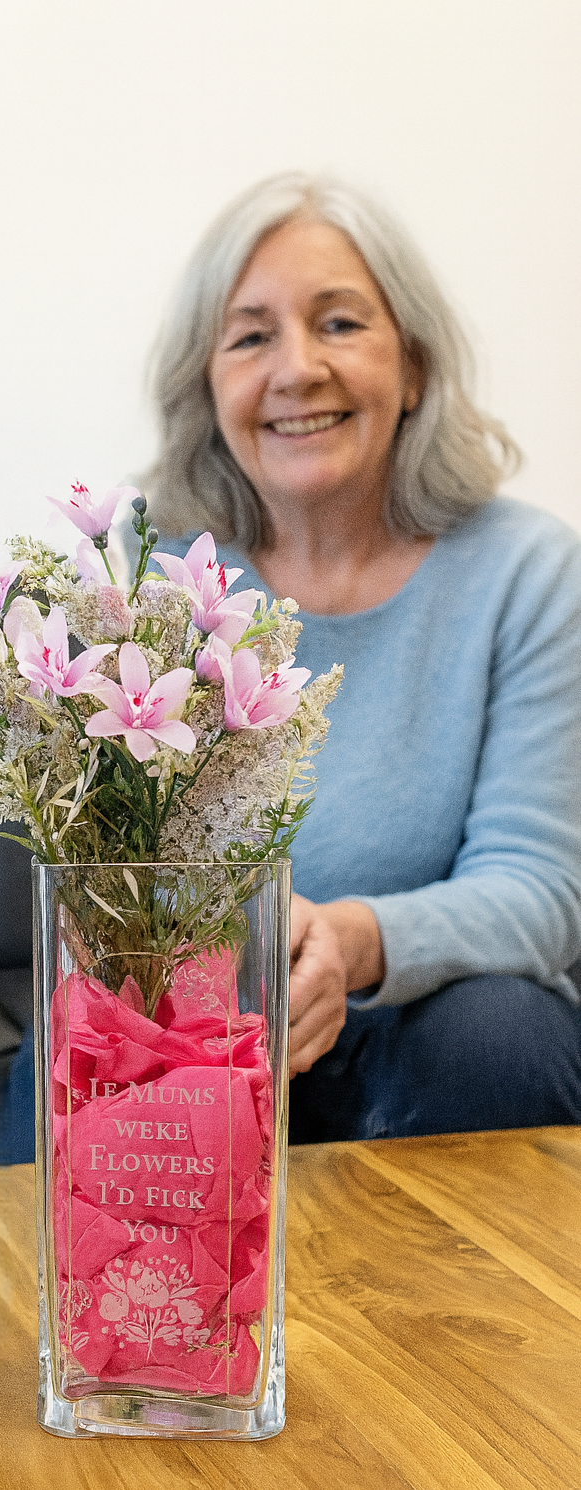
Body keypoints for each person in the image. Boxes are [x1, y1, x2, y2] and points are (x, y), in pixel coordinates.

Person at [143, 171, 581, 1140]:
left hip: (424, 1045)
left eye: (339, 323)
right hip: (203, 1032)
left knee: (503, 1026)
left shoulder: (528, 573)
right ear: (207, 385)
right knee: (92, 1038)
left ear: (414, 367)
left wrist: (349, 938)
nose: (297, 369)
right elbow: (108, 876)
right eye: (251, 336)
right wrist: (242, 959)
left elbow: (541, 893)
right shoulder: (151, 582)